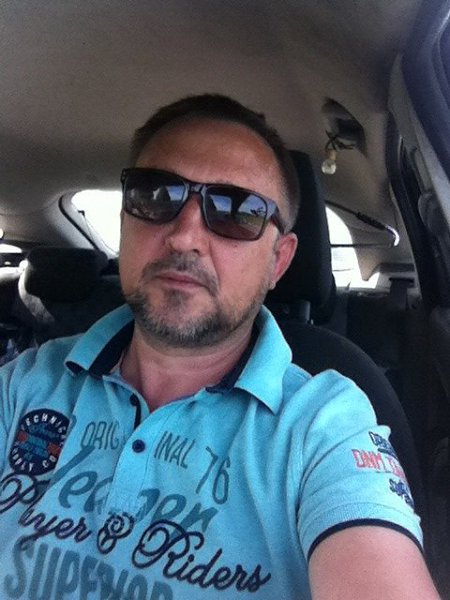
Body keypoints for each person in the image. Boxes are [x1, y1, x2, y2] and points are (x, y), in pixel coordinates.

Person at [0, 94, 439, 600]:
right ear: (125, 221)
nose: (184, 236)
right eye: (156, 196)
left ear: (279, 261)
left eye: (237, 211)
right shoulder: (25, 383)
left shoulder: (323, 425)